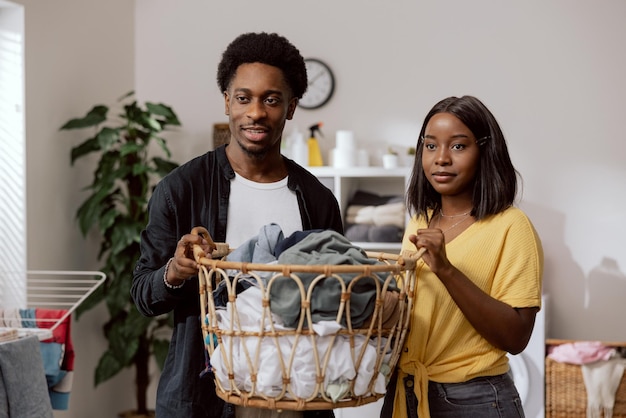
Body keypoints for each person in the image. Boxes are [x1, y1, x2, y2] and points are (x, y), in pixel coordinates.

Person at [131, 32, 343, 418]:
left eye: (272, 100)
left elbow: (336, 294)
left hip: (297, 397)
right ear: (227, 102)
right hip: (204, 397)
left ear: (292, 107)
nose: (256, 112)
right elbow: (144, 295)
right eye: (244, 98)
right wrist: (175, 272)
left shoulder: (316, 200)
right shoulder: (181, 189)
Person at [381, 95, 543, 418]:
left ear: (485, 151)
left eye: (457, 146)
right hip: (406, 392)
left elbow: (516, 337)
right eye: (430, 146)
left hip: (474, 401)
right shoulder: (419, 220)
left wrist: (447, 269)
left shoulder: (511, 225)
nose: (441, 159)